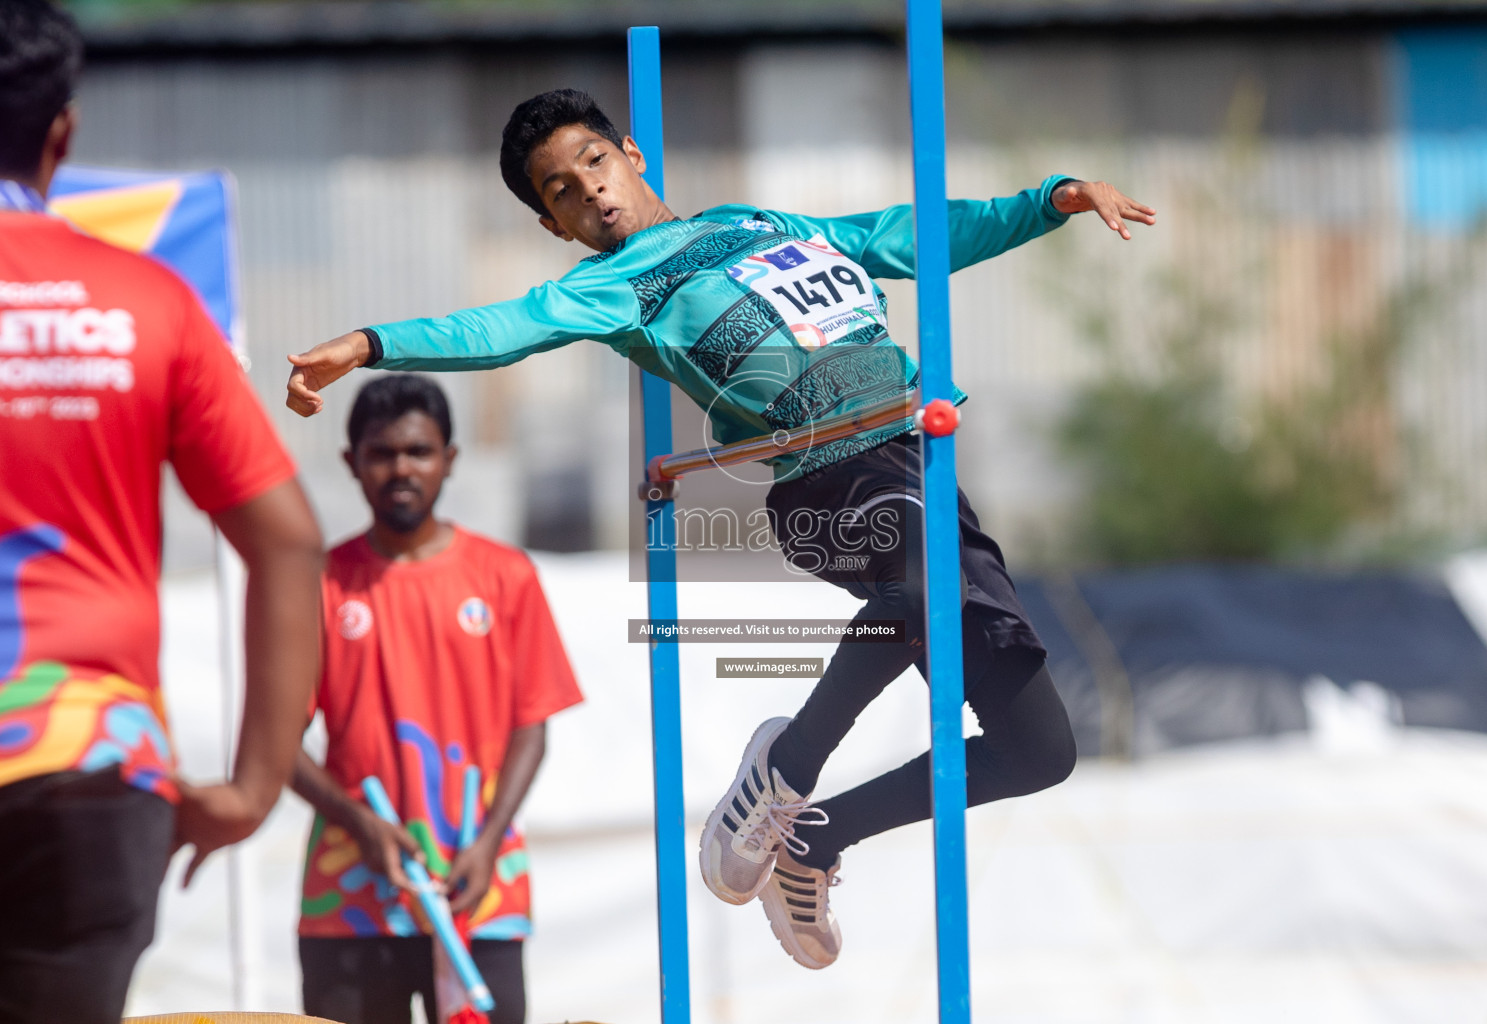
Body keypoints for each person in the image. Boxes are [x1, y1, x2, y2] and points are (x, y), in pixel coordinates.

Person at [286, 88, 1154, 970]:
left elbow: (902, 237)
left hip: (919, 472)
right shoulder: (611, 286)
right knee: (919, 581)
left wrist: (1049, 202)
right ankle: (784, 773)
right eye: (560, 192)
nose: (589, 192)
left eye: (594, 163)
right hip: (828, 483)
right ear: (555, 225)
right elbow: (500, 328)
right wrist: (366, 344)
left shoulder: (758, 221)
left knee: (1038, 749)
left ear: (631, 154)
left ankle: (816, 838)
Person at [0, 2, 325, 1021]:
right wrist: (250, 786)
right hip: (89, 771)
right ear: (63, 133)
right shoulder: (148, 300)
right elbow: (287, 542)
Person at [290, 374, 582, 1024]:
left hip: (479, 890)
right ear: (351, 463)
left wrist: (487, 840)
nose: (401, 468)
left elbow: (531, 726)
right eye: (382, 453)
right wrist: (359, 824)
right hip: (352, 901)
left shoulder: (506, 576)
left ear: (449, 459)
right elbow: (275, 744)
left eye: (418, 451)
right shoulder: (317, 583)